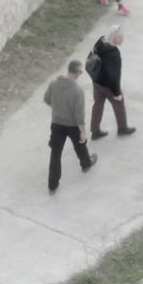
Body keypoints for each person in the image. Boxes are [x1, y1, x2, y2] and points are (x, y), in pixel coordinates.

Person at [43, 61, 97, 193]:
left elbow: (47, 99)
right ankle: (86, 163)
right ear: (77, 72)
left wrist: (57, 108)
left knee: (55, 153)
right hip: (72, 125)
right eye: (81, 72)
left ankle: (52, 184)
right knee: (80, 145)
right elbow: (79, 115)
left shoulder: (53, 84)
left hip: (56, 124)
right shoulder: (77, 91)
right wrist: (83, 132)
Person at [87, 26, 135, 140]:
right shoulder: (114, 53)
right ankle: (122, 128)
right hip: (107, 85)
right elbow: (114, 76)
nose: (123, 39)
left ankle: (95, 131)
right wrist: (117, 93)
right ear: (114, 37)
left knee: (98, 105)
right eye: (121, 37)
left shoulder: (100, 42)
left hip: (96, 81)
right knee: (119, 104)